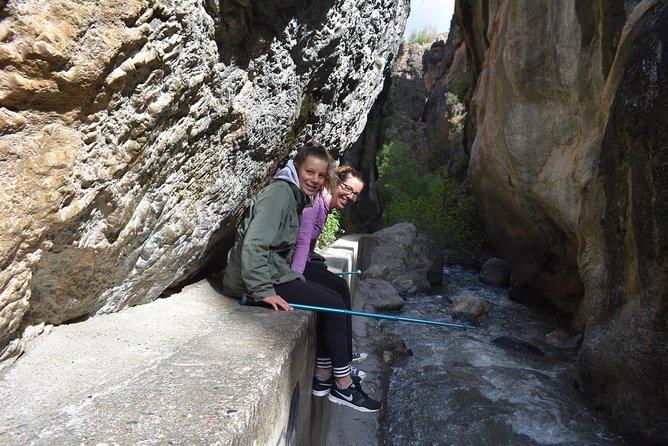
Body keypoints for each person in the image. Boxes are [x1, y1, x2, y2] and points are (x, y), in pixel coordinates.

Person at [222, 143, 381, 413]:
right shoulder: (280, 196)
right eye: (310, 172)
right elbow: (254, 245)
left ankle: (326, 376)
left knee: (334, 297)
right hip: (255, 281)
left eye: (321, 176)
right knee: (332, 305)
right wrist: (262, 289)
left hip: (274, 272)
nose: (315, 180)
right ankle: (342, 385)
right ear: (296, 168)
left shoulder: (295, 196)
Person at [291, 166, 367, 375]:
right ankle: (338, 363)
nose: (351, 197)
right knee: (335, 296)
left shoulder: (325, 205)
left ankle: (345, 353)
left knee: (340, 286)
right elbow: (302, 240)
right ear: (335, 182)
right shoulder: (316, 203)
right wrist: (296, 280)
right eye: (348, 189)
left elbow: (309, 245)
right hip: (293, 266)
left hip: (303, 262)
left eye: (356, 195)